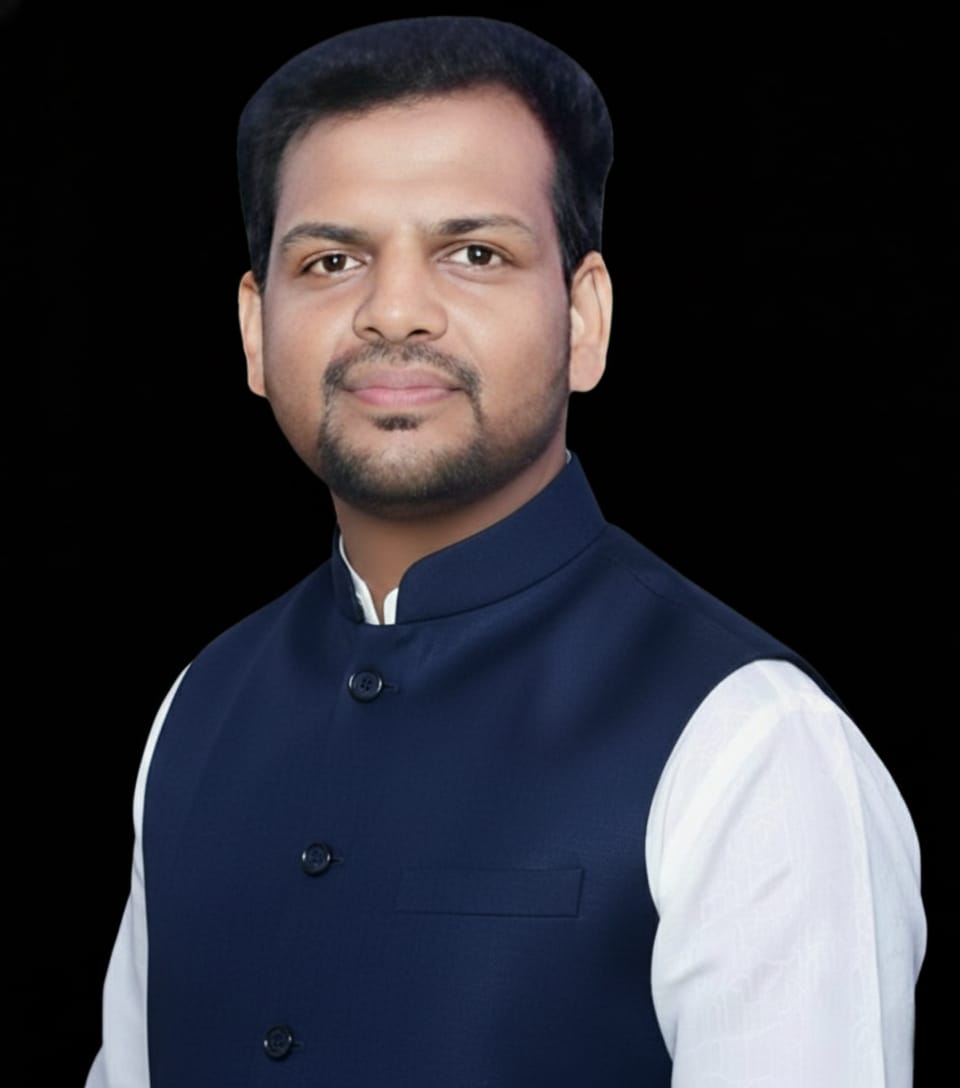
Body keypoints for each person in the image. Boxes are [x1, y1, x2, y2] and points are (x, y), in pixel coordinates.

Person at [86, 17, 925, 1087]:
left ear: (584, 318)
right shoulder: (197, 707)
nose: (394, 311)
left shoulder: (754, 744)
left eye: (474, 253)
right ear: (256, 331)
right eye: (332, 260)